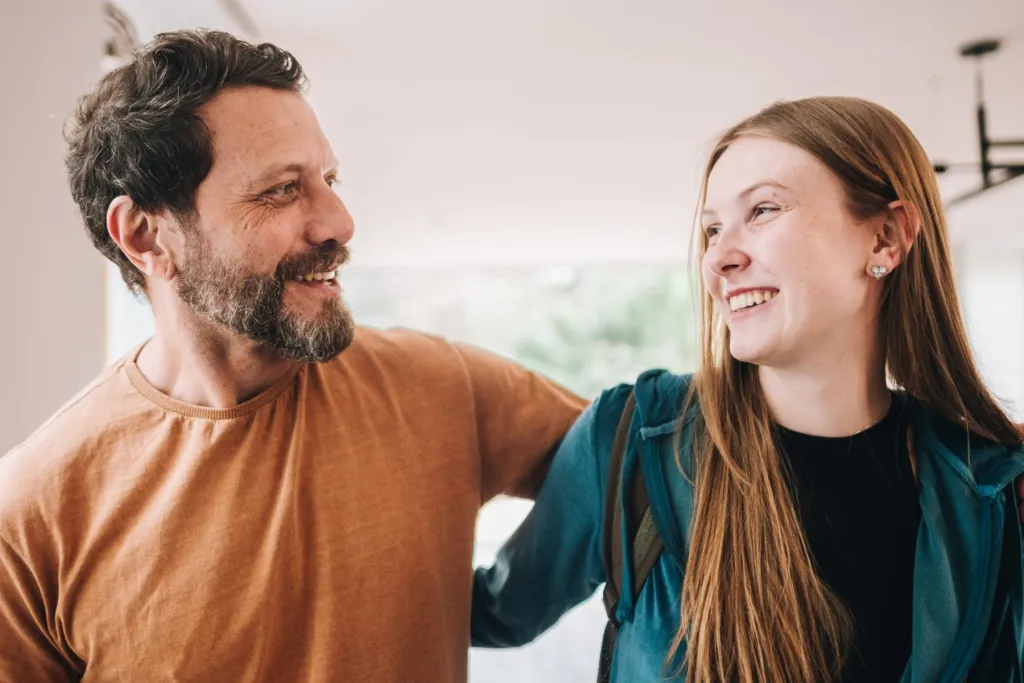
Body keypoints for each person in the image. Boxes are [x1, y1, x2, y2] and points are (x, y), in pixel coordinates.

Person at [0, 30, 586, 683]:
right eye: (281, 189)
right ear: (146, 235)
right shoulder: (32, 510)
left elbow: (659, 466)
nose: (338, 221)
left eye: (328, 179)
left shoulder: (444, 386)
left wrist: (512, 601)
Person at [471, 96, 1024, 682]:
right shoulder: (632, 437)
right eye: (712, 229)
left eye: (762, 210)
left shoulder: (992, 489)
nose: (719, 259)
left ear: (885, 239)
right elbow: (490, 612)